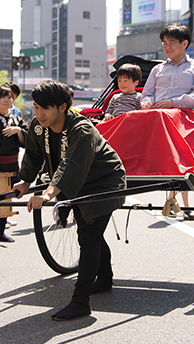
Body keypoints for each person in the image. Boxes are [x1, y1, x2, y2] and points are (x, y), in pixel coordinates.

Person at [13, 80, 126, 320]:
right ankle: (104, 278)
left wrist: (48, 193)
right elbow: (33, 154)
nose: (39, 114)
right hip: (74, 181)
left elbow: (72, 164)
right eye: (35, 107)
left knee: (88, 233)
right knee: (90, 230)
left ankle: (81, 301)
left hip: (104, 180)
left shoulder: (81, 129)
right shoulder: (37, 126)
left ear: (63, 107)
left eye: (45, 108)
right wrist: (25, 181)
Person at [141, 24, 194, 220]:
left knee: (165, 117)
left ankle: (177, 195)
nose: (167, 46)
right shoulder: (157, 69)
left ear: (184, 44)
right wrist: (147, 104)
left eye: (172, 42)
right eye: (164, 43)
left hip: (185, 116)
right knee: (130, 119)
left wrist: (173, 102)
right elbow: (146, 94)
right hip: (157, 115)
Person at [0, 85, 28, 242]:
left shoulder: (16, 119)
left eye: (9, 97)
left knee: (6, 199)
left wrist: (18, 131)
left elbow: (25, 143)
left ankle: (1, 231)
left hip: (11, 165)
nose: (6, 100)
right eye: (3, 97)